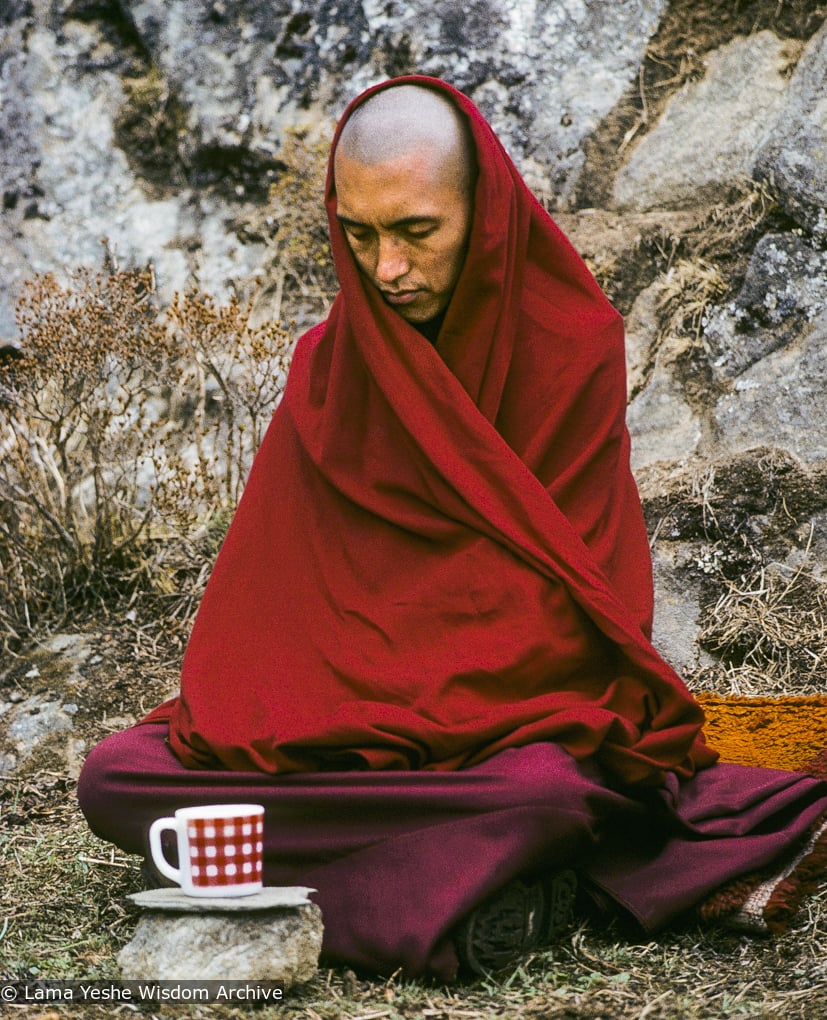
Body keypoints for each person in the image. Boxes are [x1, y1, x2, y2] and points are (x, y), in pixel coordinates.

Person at [78, 76, 827, 980]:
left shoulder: (570, 346)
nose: (385, 268)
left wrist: (396, 702)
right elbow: (265, 610)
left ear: (486, 213)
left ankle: (399, 889)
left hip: (497, 739)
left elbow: (571, 612)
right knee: (118, 779)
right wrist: (335, 713)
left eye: (415, 232)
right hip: (334, 748)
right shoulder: (329, 368)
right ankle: (472, 880)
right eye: (358, 236)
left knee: (549, 791)